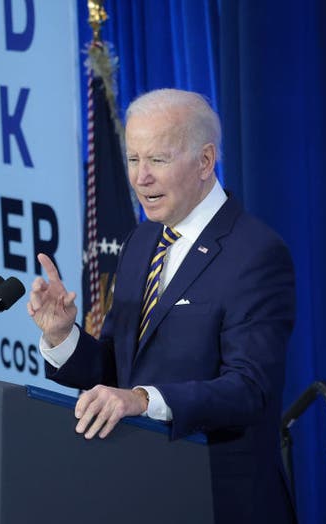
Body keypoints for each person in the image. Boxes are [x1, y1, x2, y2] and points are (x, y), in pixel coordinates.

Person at [28, 89, 296, 523]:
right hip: (141, 492)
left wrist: (142, 399)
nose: (140, 178)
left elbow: (250, 389)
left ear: (205, 162)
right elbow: (117, 368)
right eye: (133, 160)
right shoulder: (142, 240)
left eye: (157, 160)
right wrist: (62, 336)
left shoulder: (256, 255)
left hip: (218, 504)